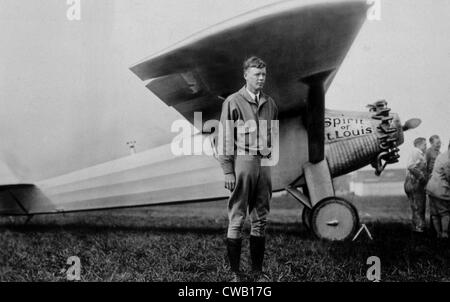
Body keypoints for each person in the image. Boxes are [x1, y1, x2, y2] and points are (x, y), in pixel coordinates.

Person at [218, 56, 278, 282]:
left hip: (264, 163)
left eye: (264, 74)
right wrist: (227, 169)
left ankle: (257, 272)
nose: (261, 78)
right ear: (246, 76)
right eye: (257, 74)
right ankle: (235, 275)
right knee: (237, 217)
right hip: (243, 162)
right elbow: (224, 137)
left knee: (261, 218)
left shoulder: (270, 103)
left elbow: (272, 131)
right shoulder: (233, 101)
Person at [426, 141, 450, 239]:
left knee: (435, 213)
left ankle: (438, 234)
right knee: (445, 212)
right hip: (441, 190)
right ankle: (444, 234)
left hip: (431, 188)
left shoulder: (442, 155)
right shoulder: (448, 160)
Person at [404, 137, 428, 233]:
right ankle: (419, 228)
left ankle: (417, 227)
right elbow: (410, 166)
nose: (426, 146)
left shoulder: (417, 152)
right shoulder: (416, 152)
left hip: (412, 182)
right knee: (418, 206)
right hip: (414, 182)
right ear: (419, 144)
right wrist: (421, 178)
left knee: (415, 206)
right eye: (425, 144)